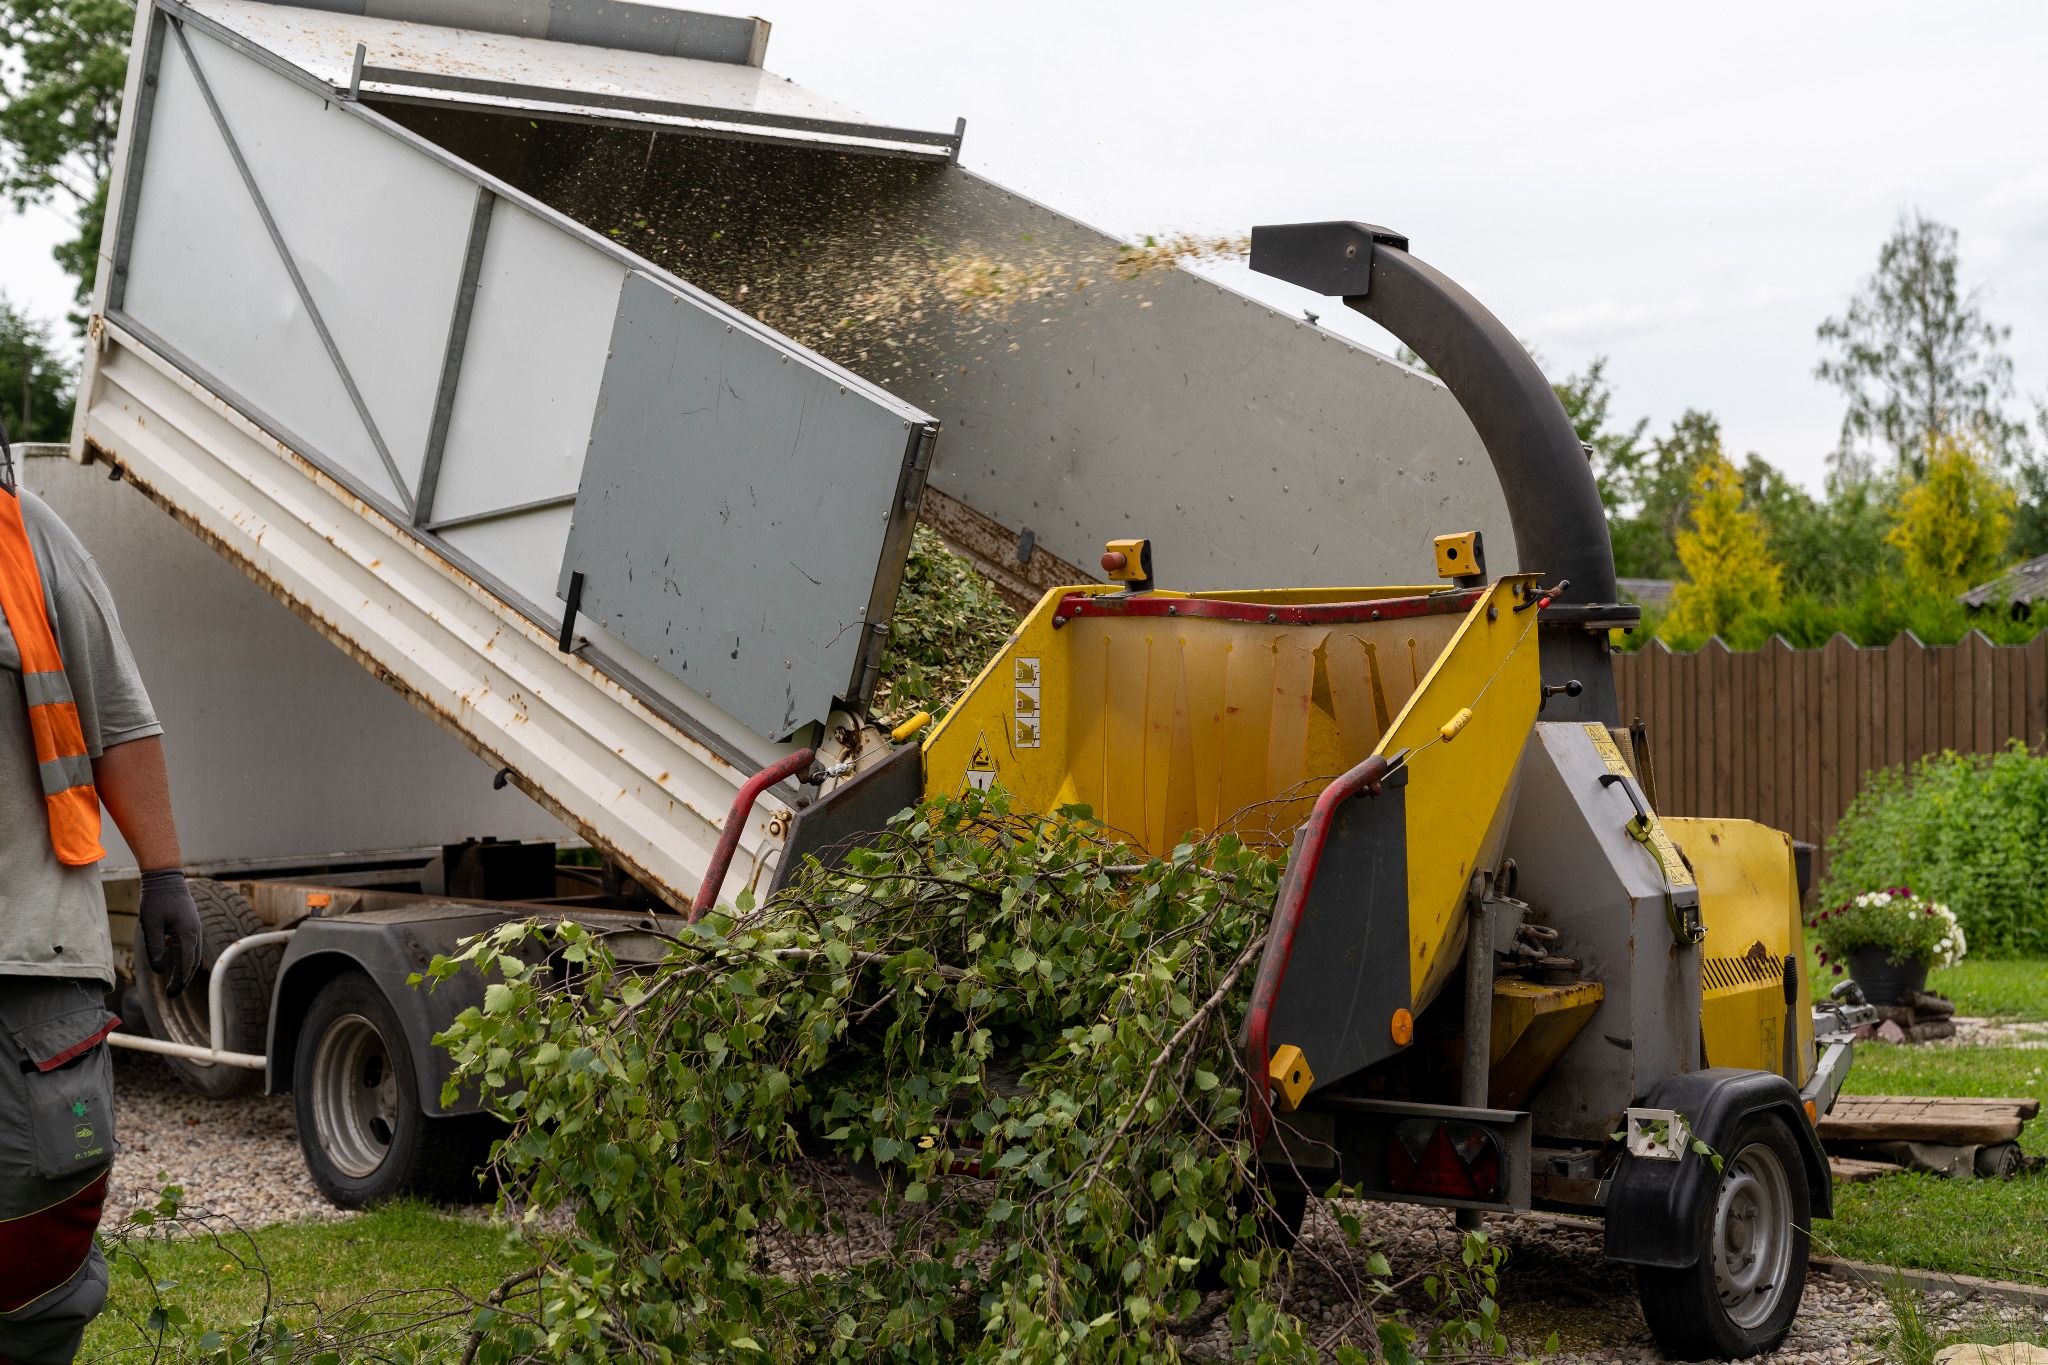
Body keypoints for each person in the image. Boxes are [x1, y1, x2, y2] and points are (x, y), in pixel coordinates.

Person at [0, 432, 202, 1365]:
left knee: (29, 1275)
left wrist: (162, 872)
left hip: (27, 974)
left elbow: (116, 715)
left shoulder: (25, 538)